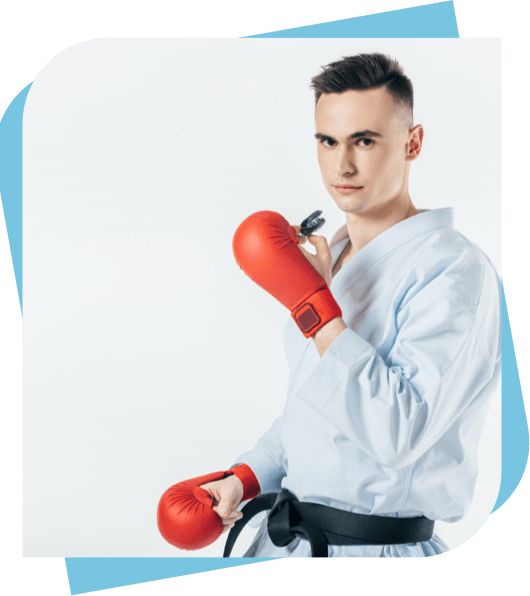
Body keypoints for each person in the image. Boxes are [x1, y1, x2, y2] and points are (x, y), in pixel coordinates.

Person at [162, 53, 502, 558]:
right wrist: (246, 476)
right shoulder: (336, 257)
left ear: (413, 143)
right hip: (288, 538)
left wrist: (315, 309)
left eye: (364, 140)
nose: (342, 165)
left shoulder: (452, 270)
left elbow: (398, 432)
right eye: (328, 141)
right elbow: (312, 415)